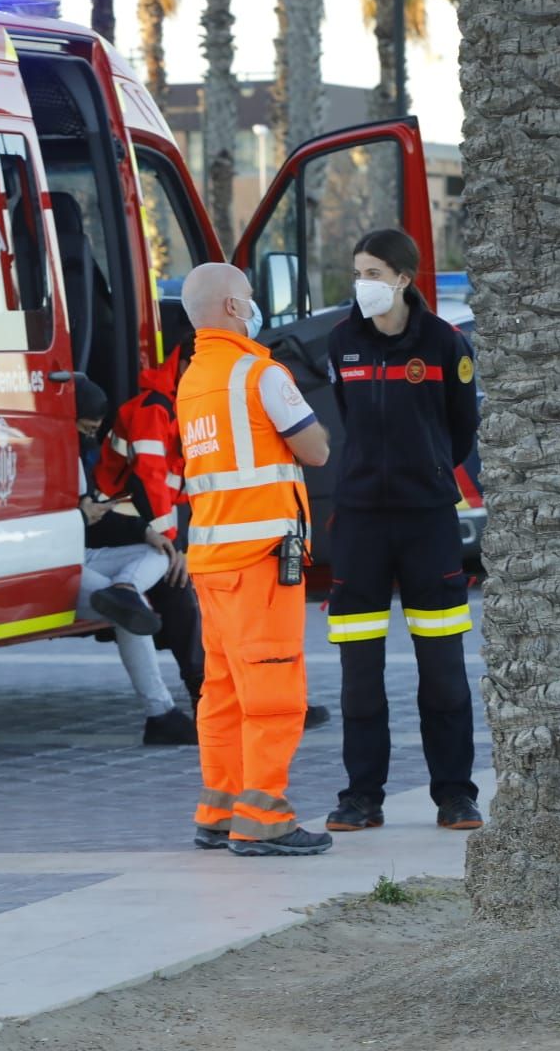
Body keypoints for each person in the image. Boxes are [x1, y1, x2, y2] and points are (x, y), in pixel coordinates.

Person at [96, 309, 327, 728]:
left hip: (169, 523)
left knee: (219, 612)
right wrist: (171, 544)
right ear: (184, 364)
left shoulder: (179, 401)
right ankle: (216, 697)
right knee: (193, 599)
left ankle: (248, 698)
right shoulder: (155, 408)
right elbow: (150, 480)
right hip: (129, 518)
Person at [323, 229, 483, 834]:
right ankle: (362, 796)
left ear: (403, 279)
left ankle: (455, 795)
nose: (361, 284)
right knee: (359, 675)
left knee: (442, 669)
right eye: (357, 272)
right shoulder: (342, 344)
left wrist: (427, 470)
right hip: (360, 524)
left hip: (428, 524)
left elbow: (460, 430)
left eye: (371, 272)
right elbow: (348, 423)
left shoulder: (446, 345)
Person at [176, 263, 334, 857]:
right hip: (262, 560)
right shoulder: (260, 373)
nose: (254, 306)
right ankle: (263, 818)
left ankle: (218, 811)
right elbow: (315, 450)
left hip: (212, 558)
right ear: (232, 309)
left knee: (221, 692)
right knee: (273, 690)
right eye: (247, 297)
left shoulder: (192, 380)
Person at [75, 375, 199, 746]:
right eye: (85, 429)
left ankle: (127, 587)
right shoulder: (154, 412)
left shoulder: (75, 455)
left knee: (158, 557)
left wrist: (151, 535)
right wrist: (83, 515)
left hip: (88, 556)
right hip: (57, 564)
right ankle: (161, 714)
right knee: (127, 611)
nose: (91, 438)